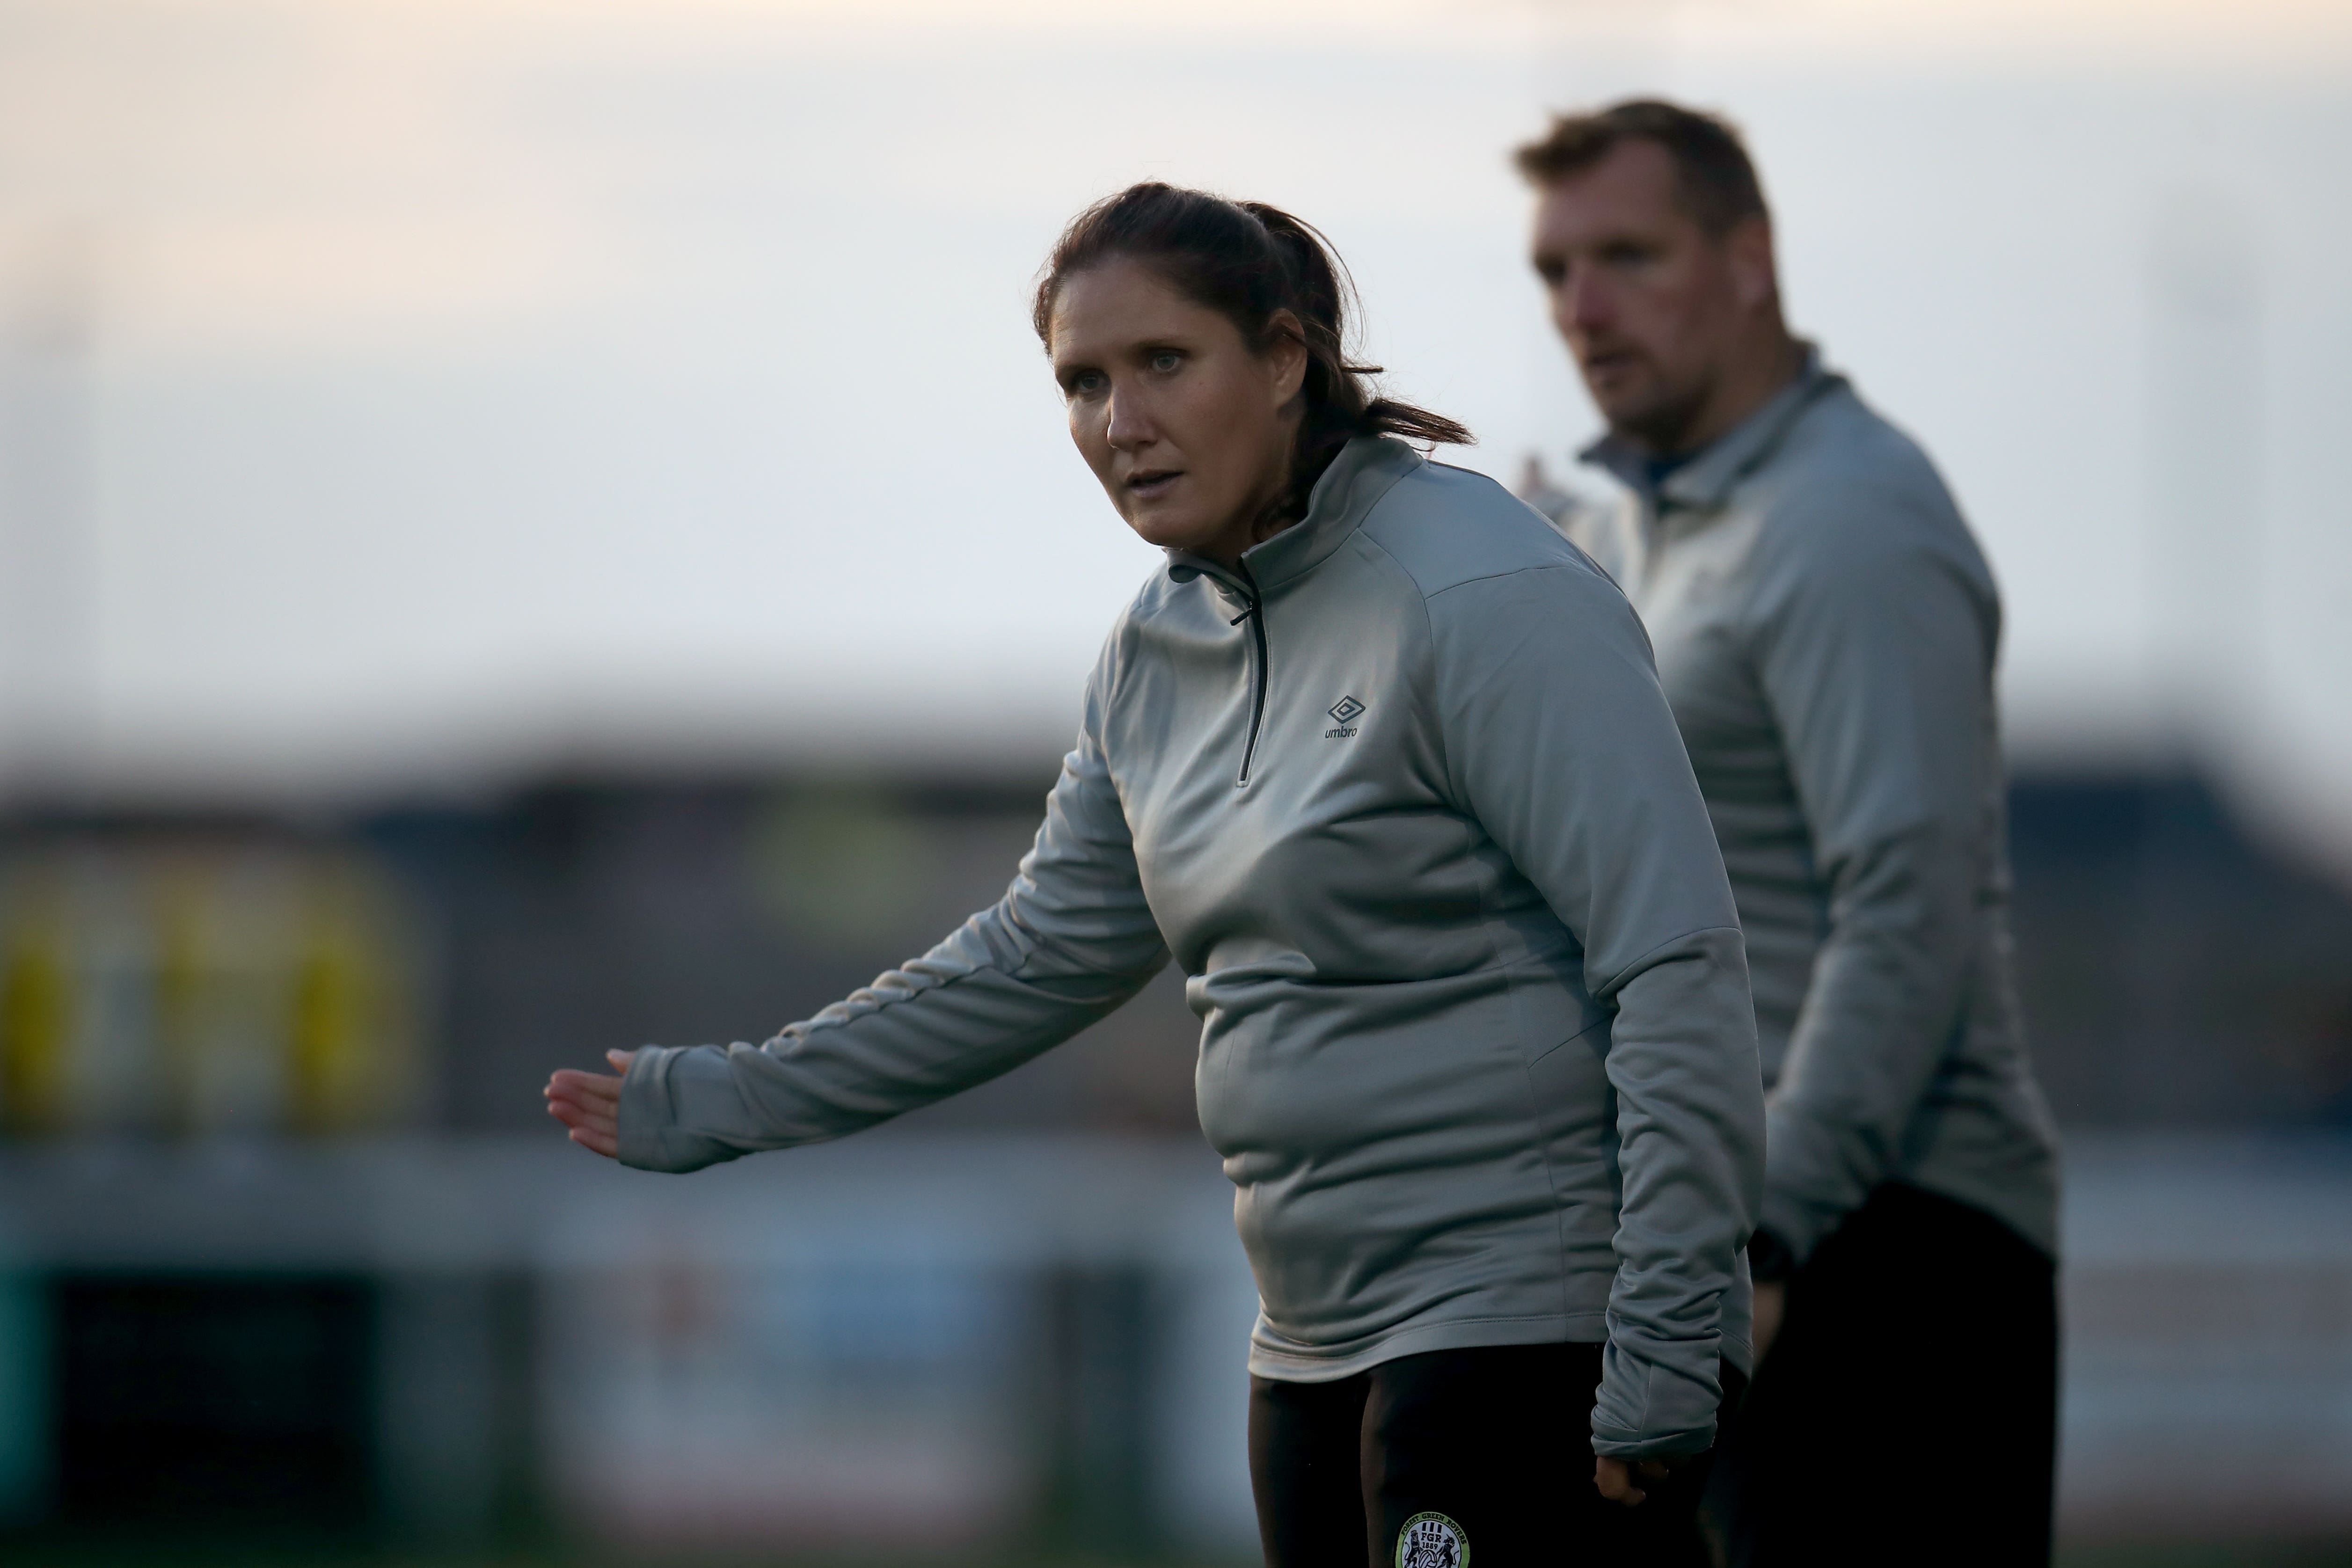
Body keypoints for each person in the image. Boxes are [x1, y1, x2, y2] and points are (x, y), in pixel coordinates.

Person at [548, 182, 1767, 1568]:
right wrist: (734, 1097)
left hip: (1529, 1331)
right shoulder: (1154, 646)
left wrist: (1669, 1343)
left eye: (1163, 364)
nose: (1118, 424)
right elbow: (1035, 953)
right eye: (1080, 382)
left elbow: (1676, 961)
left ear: (1287, 358)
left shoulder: (1482, 593)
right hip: (1304, 1350)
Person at [1512, 102, 2064, 1566]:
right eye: (1555, 270)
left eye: (1627, 254)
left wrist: (1762, 1236)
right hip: (1720, 1236)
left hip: (1883, 1245)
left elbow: (1908, 906)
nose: (1583, 306)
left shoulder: (1846, 517)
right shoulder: (1645, 527)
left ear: (1748, 260)